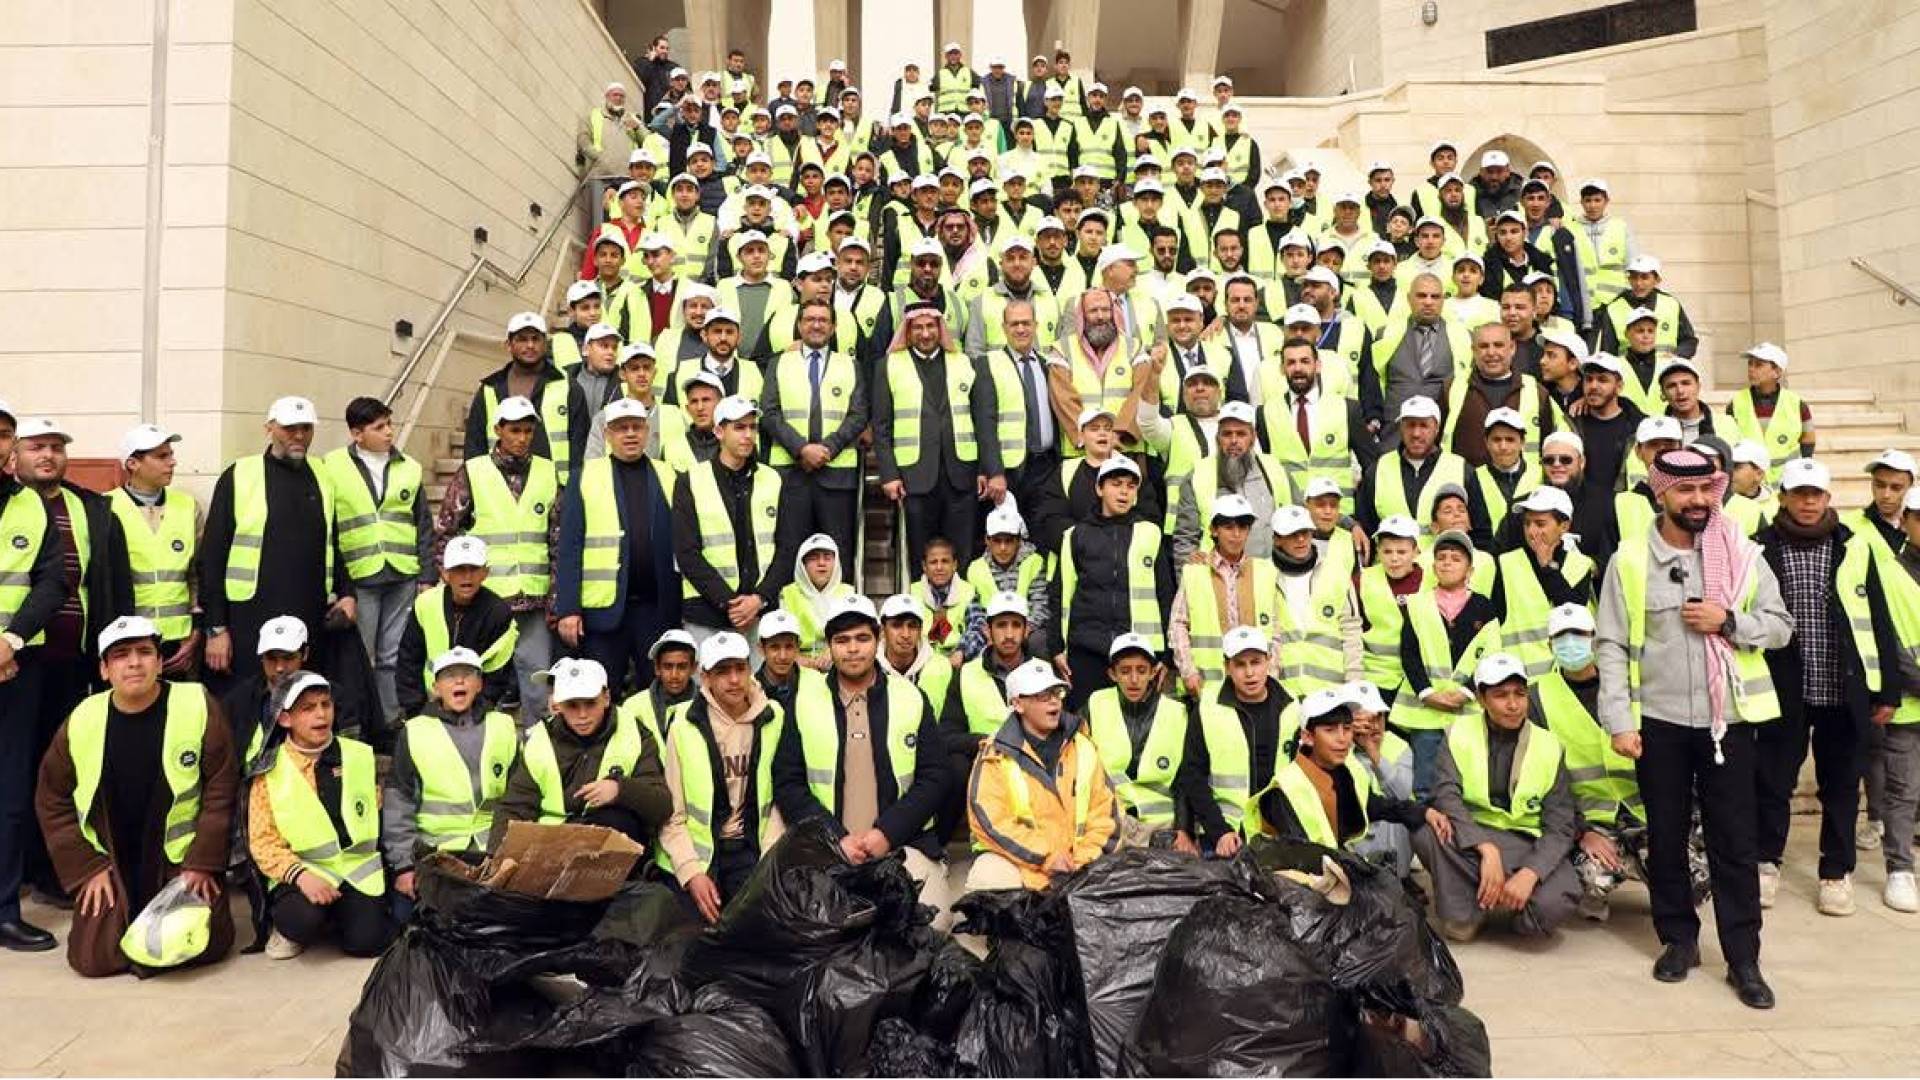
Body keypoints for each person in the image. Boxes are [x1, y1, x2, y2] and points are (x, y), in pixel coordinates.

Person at [1597, 448, 1792, 1008]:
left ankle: (1743, 957)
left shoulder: (1742, 554)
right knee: (1666, 836)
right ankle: (1678, 940)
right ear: (1662, 493)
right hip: (1657, 724)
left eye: (1707, 490)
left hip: (1728, 723)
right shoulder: (1630, 560)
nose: (1699, 501)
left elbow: (1780, 626)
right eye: (1686, 491)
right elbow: (1610, 643)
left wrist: (1728, 621)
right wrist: (1618, 720)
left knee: (1735, 841)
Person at [36, 616, 238, 976]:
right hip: (110, 861)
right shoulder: (83, 719)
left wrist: (202, 862)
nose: (134, 663)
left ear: (160, 663)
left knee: (204, 945)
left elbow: (222, 788)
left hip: (179, 861)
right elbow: (51, 799)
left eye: (145, 653)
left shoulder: (196, 704)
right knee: (95, 961)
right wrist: (87, 869)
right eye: (121, 655)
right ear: (104, 669)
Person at [1753, 458, 1900, 916]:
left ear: (1828, 498)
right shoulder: (1759, 548)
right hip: (1784, 689)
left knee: (1839, 785)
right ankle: (1765, 862)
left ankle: (1836, 872)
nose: (1808, 502)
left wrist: (1887, 690)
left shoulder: (1854, 547)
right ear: (1783, 497)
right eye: (1799, 494)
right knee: (1774, 780)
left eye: (1815, 494)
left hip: (1843, 689)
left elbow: (1879, 618)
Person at [773, 595, 953, 925]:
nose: (852, 649)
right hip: (826, 849)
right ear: (829, 646)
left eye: (861, 638)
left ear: (877, 640)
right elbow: (788, 782)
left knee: (932, 924)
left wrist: (886, 833)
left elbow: (936, 776)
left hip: (902, 846)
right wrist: (835, 838)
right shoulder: (804, 701)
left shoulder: (909, 697)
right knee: (812, 931)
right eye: (842, 640)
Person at [1415, 652, 1582, 942]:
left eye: (1519, 694)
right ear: (1481, 699)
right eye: (1500, 695)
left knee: (1555, 905)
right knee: (1426, 832)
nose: (1513, 704)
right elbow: (1446, 796)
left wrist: (1530, 872)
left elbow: (1561, 825)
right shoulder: (1458, 733)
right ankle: (1464, 911)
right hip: (1473, 836)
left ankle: (1499, 895)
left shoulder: (1548, 745)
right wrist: (1486, 849)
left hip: (1525, 842)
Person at [201, 396, 352, 687]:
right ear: (269, 428)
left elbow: (333, 541)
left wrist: (347, 593)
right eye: (289, 428)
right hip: (249, 617)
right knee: (248, 700)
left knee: (303, 697)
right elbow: (212, 556)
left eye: (306, 428)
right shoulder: (240, 474)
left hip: (309, 613)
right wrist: (216, 629)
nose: (299, 436)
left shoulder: (322, 475)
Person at [247, 670, 395, 960]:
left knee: (368, 943)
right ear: (285, 719)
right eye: (308, 708)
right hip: (302, 874)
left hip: (357, 872)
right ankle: (296, 927)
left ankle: (344, 916)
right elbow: (263, 843)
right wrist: (302, 877)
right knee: (302, 920)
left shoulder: (359, 755)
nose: (321, 715)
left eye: (326, 705)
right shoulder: (269, 771)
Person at [1533, 604, 1665, 922]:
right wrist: (1580, 832)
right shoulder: (1537, 697)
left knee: (1695, 884)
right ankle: (1601, 884)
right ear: (1549, 644)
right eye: (1561, 637)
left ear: (1595, 638)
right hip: (1591, 820)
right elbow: (1541, 779)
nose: (1570, 643)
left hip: (1645, 811)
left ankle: (1642, 865)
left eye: (1578, 634)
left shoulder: (1630, 686)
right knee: (1589, 879)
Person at [435, 395, 557, 724]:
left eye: (528, 431)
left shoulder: (547, 472)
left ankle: (536, 747)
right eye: (514, 430)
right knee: (482, 677)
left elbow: (557, 537)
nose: (521, 438)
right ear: (498, 429)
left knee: (536, 680)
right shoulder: (474, 472)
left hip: (533, 596)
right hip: (485, 599)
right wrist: (454, 585)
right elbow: (446, 530)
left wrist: (556, 597)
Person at [657, 633, 787, 922]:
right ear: (705, 678)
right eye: (722, 671)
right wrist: (691, 873)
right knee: (695, 937)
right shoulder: (684, 727)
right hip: (701, 855)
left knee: (756, 925)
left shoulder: (773, 718)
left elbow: (779, 799)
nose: (733, 680)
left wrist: (770, 862)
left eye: (740, 668)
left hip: (754, 847)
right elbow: (672, 814)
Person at [555, 398, 681, 695]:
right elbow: (569, 547)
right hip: (603, 613)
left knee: (655, 694)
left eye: (636, 427)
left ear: (647, 431)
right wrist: (568, 609)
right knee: (601, 693)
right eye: (621, 428)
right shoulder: (584, 477)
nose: (630, 434)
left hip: (655, 608)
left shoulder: (669, 475)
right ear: (607, 434)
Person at [321, 397, 433, 727]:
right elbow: (327, 525)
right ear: (357, 433)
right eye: (379, 427)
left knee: (393, 655)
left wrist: (425, 575)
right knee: (358, 656)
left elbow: (423, 523)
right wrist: (337, 584)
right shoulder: (332, 466)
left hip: (401, 572)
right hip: (359, 576)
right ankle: (357, 722)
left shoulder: (408, 468)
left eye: (389, 425)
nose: (389, 433)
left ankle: (389, 719)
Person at [963, 658, 1118, 892]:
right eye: (1042, 695)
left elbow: (1105, 813)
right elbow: (990, 819)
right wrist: (1045, 857)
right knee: (988, 878)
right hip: (1023, 864)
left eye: (1056, 692)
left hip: (1080, 864)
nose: (1054, 700)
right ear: (1018, 704)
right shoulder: (995, 755)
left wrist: (1083, 862)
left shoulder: (1083, 747)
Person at [383, 647, 519, 911]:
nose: (459, 681)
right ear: (435, 687)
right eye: (449, 676)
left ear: (479, 684)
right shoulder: (414, 732)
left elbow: (519, 796)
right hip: (438, 851)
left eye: (467, 675)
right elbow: (398, 803)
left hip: (492, 847)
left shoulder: (503, 726)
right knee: (407, 918)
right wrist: (403, 866)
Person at [490, 657, 670, 849]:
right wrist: (497, 859)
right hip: (551, 847)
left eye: (590, 703)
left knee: (617, 818)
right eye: (572, 705)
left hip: (611, 852)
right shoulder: (540, 740)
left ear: (606, 698)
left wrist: (620, 790)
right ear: (559, 705)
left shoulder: (635, 734)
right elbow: (514, 808)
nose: (582, 715)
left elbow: (661, 805)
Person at [1248, 686, 1442, 857]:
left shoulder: (1343, 774)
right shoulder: (1286, 788)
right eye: (1330, 730)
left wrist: (1425, 812)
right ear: (1308, 737)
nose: (1342, 739)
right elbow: (1302, 855)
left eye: (1347, 728)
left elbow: (1378, 805)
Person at [875, 302, 997, 570]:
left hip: (961, 475)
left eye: (931, 326)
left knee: (961, 553)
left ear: (940, 328)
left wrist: (982, 469)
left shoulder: (964, 362)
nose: (926, 333)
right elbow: (882, 427)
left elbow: (979, 422)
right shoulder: (889, 365)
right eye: (918, 327)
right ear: (908, 331)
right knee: (919, 554)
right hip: (913, 477)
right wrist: (889, 475)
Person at [673, 395, 798, 657]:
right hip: (707, 614)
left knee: (759, 695)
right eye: (739, 427)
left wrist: (759, 599)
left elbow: (787, 548)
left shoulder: (772, 479)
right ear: (719, 431)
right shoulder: (691, 481)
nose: (748, 435)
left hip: (761, 614)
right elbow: (686, 552)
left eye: (752, 427)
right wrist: (730, 603)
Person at [1051, 456, 1175, 711]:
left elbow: (1165, 594)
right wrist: (1057, 647)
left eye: (1131, 486)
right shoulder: (1075, 535)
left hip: (1138, 652)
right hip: (1087, 648)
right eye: (1116, 484)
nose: (1124, 492)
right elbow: (1061, 593)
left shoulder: (1150, 533)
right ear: (1099, 488)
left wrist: (1166, 655)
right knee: (1086, 726)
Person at [760, 298, 869, 567]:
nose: (816, 325)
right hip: (790, 475)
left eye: (823, 320)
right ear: (799, 325)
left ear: (833, 327)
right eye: (810, 320)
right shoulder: (779, 363)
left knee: (838, 553)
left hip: (837, 476)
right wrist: (802, 449)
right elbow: (769, 413)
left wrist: (828, 448)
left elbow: (858, 416)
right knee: (789, 554)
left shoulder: (850, 365)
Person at [1393, 531, 1502, 797]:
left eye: (1456, 558)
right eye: (1441, 558)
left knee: (1469, 778)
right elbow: (1410, 653)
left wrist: (1466, 692)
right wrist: (1427, 693)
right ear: (1433, 566)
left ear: (1470, 569)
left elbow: (1491, 654)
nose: (1447, 563)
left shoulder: (1483, 606)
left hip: (1467, 710)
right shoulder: (1417, 604)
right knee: (1426, 781)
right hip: (1426, 712)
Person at [1083, 633, 1206, 849]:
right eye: (1125, 671)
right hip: (1110, 825)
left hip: (1163, 830)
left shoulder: (1178, 713)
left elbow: (1186, 778)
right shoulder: (1096, 704)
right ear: (1112, 674)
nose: (1133, 679)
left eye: (1141, 670)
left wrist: (1184, 830)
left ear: (1153, 672)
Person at [1186, 625, 1296, 850]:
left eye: (1255, 662)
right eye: (1240, 664)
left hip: (1279, 834)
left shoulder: (1292, 707)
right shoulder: (1208, 707)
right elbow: (1192, 774)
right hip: (1226, 835)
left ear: (1268, 660)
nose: (1249, 673)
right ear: (1227, 667)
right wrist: (1220, 831)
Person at [109, 424, 202, 677]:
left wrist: (196, 633)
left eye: (170, 454)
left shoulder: (187, 507)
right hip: (128, 640)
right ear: (132, 464)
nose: (172, 462)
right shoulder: (106, 508)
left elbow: (197, 575)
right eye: (162, 456)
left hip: (179, 642)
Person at [463, 313, 590, 488]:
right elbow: (474, 447)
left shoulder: (569, 387)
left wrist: (574, 491)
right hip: (498, 490)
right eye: (522, 339)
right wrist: (474, 488)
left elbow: (580, 446)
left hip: (555, 491)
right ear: (508, 345)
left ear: (545, 344)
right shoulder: (490, 389)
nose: (530, 345)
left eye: (536, 339)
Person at [396, 536, 515, 719]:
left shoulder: (499, 613)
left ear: (485, 572)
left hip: (476, 711)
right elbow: (408, 662)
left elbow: (497, 676)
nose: (467, 576)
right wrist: (417, 711)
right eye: (459, 569)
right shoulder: (426, 604)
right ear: (445, 573)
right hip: (428, 705)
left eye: (473, 569)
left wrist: (476, 715)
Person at [1170, 494, 1275, 698]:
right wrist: (1188, 670)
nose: (1236, 534)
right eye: (1228, 527)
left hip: (1254, 685)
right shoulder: (1194, 571)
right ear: (1214, 530)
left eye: (1242, 527)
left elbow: (1277, 629)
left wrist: (1271, 673)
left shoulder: (1265, 571)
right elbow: (1178, 624)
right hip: (1207, 685)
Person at [1491, 487, 1593, 679]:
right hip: (1521, 685)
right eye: (1527, 523)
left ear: (1564, 526)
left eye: (1540, 524)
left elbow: (1572, 612)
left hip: (1567, 680)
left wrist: (1547, 568)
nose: (1531, 531)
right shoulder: (1506, 564)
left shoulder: (1581, 564)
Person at [1269, 503, 1364, 699]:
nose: (1301, 539)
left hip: (1331, 691)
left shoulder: (1337, 574)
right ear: (1277, 539)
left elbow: (1352, 631)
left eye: (1305, 532)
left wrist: (1354, 684)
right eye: (1293, 534)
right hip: (1285, 693)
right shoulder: (1264, 576)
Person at [1357, 396, 1469, 535]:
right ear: (1401, 428)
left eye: (1423, 425)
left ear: (1437, 428)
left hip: (1440, 556)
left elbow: (1479, 530)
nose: (1416, 433)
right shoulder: (1378, 469)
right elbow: (1366, 527)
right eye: (1410, 425)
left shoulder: (1461, 469)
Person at [1725, 342, 1813, 483]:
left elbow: (1808, 441)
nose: (1751, 369)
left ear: (1777, 372)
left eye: (1758, 365)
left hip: (1787, 482)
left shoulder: (1796, 404)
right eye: (1750, 364)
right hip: (1749, 484)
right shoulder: (1735, 404)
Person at [777, 533, 857, 663]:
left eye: (827, 558)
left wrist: (834, 652)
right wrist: (798, 659)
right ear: (803, 564)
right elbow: (780, 638)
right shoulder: (788, 594)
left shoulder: (849, 593)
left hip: (840, 662)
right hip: (798, 665)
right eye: (814, 558)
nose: (821, 563)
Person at [618, 629, 698, 747]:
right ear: (657, 668)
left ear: (693, 668)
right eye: (667, 667)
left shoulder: (708, 705)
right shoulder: (632, 707)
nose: (674, 675)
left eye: (681, 667)